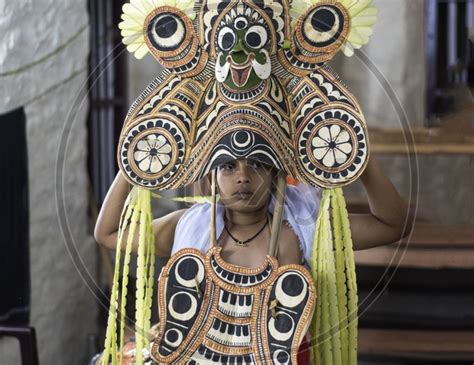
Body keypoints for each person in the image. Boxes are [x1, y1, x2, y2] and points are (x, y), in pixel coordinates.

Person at [95, 156, 411, 266]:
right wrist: (129, 168)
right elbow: (108, 234)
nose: (243, 177)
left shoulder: (304, 228)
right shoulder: (188, 226)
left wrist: (363, 161)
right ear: (211, 180)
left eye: (258, 166)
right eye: (229, 167)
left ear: (276, 177)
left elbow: (392, 225)